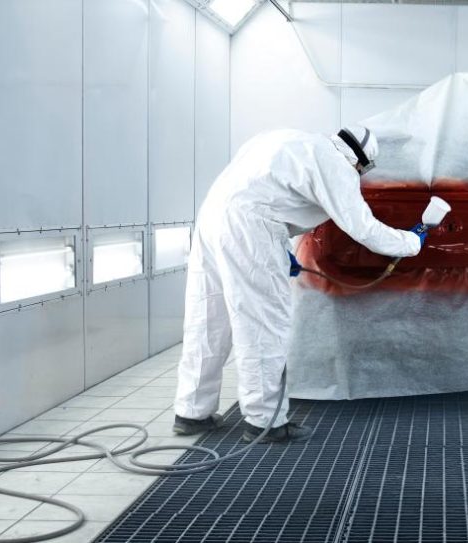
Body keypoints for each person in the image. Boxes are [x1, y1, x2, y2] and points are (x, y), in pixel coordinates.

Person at [172, 126, 423, 443]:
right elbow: (365, 229)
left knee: (208, 319)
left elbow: (269, 194)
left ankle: (191, 412)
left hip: (211, 218)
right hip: (251, 227)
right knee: (263, 324)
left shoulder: (290, 139)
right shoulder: (337, 165)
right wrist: (412, 241)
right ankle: (265, 421)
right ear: (361, 161)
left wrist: (279, 249)